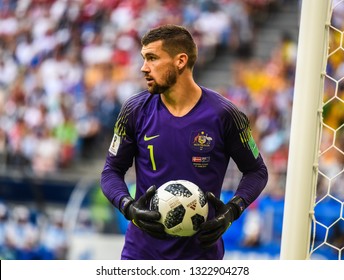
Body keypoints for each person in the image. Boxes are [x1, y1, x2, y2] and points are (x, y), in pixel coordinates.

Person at [100, 24, 268, 260]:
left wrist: (232, 210)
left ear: (180, 61)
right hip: (141, 254)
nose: (143, 68)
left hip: (201, 257)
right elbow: (110, 172)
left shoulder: (226, 115)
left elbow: (257, 171)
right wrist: (129, 207)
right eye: (143, 58)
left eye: (152, 58)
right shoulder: (134, 110)